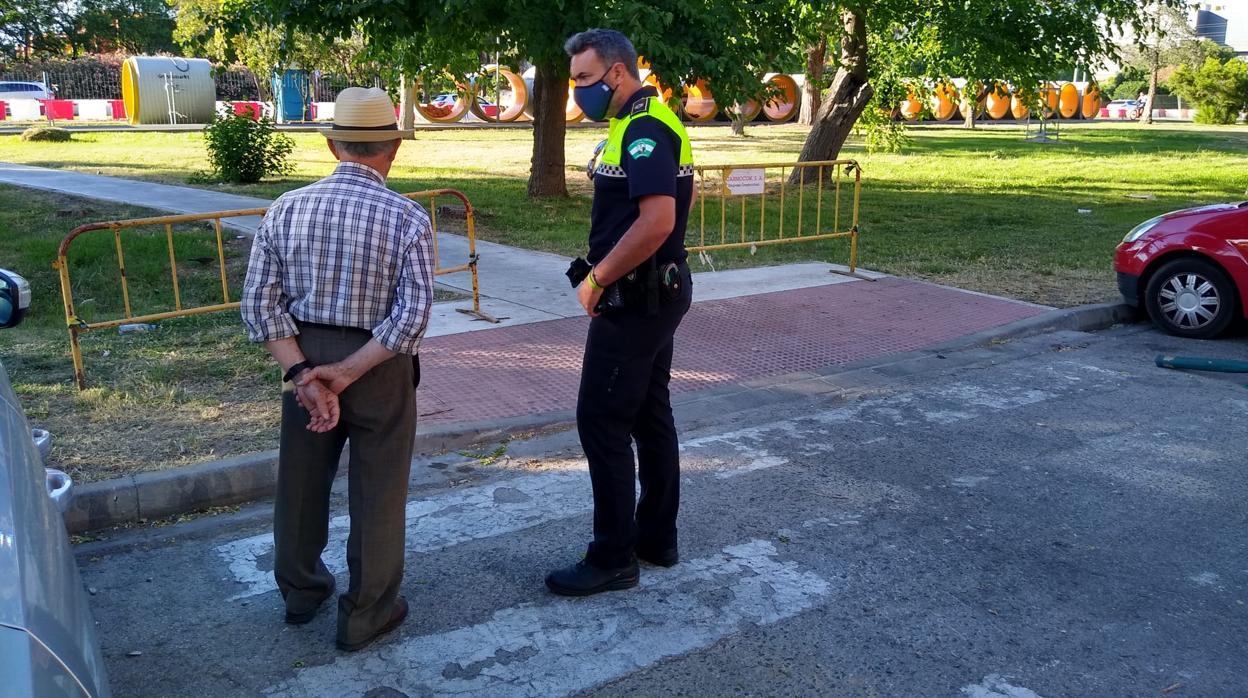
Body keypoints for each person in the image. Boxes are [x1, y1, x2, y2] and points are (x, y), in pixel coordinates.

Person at [241, 86, 434, 651]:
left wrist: (305, 374)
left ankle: (301, 593)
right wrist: (348, 372)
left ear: (332, 146)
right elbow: (413, 313)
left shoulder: (285, 209)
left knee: (301, 481)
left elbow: (260, 304)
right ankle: (365, 613)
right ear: (392, 150)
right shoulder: (407, 218)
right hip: (378, 364)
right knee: (379, 489)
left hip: (301, 355)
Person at [545, 29, 696, 596]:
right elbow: (683, 196)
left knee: (602, 420)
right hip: (655, 291)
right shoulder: (640, 122)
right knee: (649, 413)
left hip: (634, 298)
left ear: (615, 74)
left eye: (583, 79)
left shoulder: (645, 128)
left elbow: (657, 221)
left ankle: (614, 556)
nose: (577, 91)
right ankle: (656, 538)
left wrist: (597, 280)